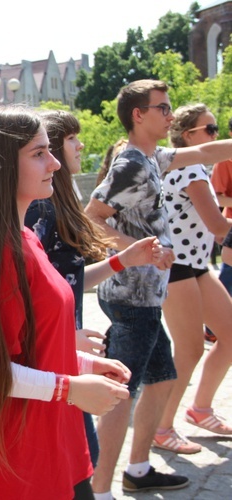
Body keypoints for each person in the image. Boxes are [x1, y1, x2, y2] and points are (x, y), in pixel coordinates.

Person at [0, 105, 131, 499]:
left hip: (48, 442)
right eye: (39, 152)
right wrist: (70, 388)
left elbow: (28, 351)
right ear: (1, 165)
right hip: (13, 459)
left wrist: (83, 365)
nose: (55, 163)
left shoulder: (24, 239)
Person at [85, 79, 232, 498]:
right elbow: (91, 217)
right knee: (119, 396)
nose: (170, 115)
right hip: (130, 297)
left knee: (162, 378)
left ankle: (138, 468)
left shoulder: (155, 157)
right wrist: (138, 250)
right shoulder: (130, 164)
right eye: (163, 109)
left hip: (148, 295)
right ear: (139, 114)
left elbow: (205, 152)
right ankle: (100, 491)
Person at [25, 110, 162, 468]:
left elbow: (65, 283)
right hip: (49, 360)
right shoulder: (38, 209)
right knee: (75, 460)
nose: (80, 145)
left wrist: (123, 260)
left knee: (83, 457)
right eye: (71, 139)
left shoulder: (60, 198)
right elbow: (27, 294)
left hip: (64, 354)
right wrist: (65, 336)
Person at [154, 104, 232, 454]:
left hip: (196, 265)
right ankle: (161, 427)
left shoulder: (193, 167)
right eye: (211, 130)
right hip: (177, 267)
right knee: (189, 349)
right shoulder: (190, 169)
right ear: (190, 136)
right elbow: (219, 228)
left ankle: (199, 410)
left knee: (229, 337)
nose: (217, 136)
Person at [210, 116, 232, 294]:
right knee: (228, 281)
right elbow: (216, 198)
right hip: (230, 226)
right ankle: (215, 321)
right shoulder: (225, 161)